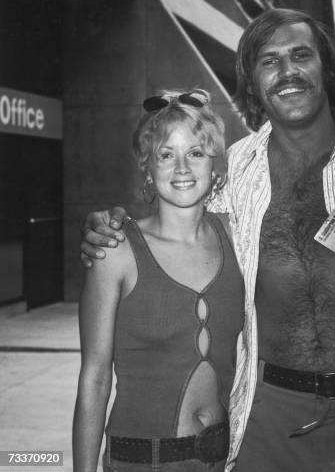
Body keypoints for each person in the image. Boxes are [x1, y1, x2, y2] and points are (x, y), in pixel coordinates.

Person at [80, 8, 335, 472]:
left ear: (327, 69)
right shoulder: (234, 172)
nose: (288, 72)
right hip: (265, 421)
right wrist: (113, 227)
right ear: (252, 83)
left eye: (301, 56)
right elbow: (175, 221)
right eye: (269, 61)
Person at [73, 89, 244, 472]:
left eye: (195, 153)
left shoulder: (238, 239)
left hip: (223, 461)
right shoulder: (115, 251)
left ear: (214, 165)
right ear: (148, 167)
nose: (182, 167)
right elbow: (95, 378)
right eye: (166, 154)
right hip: (141, 462)